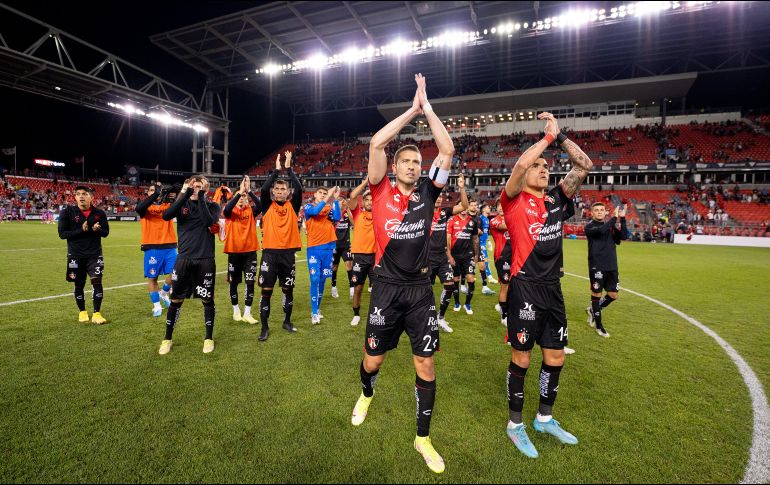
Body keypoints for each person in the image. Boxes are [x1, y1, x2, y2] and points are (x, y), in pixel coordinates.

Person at [350, 73, 453, 474]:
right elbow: (376, 142)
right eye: (407, 161)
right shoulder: (378, 190)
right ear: (395, 166)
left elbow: (447, 149)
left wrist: (428, 109)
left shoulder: (429, 192)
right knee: (372, 360)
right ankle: (365, 393)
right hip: (386, 289)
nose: (413, 166)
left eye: (417, 162)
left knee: (425, 366)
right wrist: (410, 110)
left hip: (419, 291)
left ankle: (422, 438)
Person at [501, 112, 592, 458]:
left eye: (546, 166)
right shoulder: (512, 200)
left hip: (552, 290)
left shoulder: (556, 199)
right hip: (525, 288)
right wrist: (546, 140)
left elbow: (584, 166)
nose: (544, 169)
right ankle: (515, 426)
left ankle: (544, 418)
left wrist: (563, 134)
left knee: (555, 356)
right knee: (521, 359)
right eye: (539, 166)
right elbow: (520, 165)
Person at [158, 175, 221, 355]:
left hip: (205, 260)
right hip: (184, 259)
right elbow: (166, 215)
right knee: (176, 300)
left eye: (200, 186)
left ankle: (208, 338)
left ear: (206, 189)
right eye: (193, 186)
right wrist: (185, 194)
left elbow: (208, 221)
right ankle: (167, 339)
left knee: (207, 300)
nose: (196, 188)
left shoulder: (212, 206)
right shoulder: (182, 204)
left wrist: (200, 197)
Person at [257, 151, 303, 341]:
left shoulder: (293, 206)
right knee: (266, 292)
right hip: (269, 255)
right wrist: (276, 171)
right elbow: (262, 190)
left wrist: (290, 168)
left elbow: (299, 189)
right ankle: (265, 327)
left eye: (284, 190)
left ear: (288, 193)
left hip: (287, 255)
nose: (280, 192)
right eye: (277, 189)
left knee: (288, 290)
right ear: (273, 192)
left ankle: (287, 321)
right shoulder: (267, 206)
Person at [58, 185, 109, 324]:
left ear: (91, 197)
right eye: (78, 194)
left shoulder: (100, 213)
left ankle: (97, 313)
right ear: (75, 197)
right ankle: (82, 312)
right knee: (78, 285)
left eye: (85, 194)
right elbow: (62, 234)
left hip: (94, 254)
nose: (81, 196)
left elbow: (106, 233)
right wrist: (82, 230)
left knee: (97, 282)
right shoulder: (67, 212)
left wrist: (97, 230)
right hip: (75, 255)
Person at [429, 176, 468, 332]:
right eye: (435, 197)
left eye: (440, 197)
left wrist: (462, 188)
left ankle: (440, 318)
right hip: (426, 257)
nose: (438, 199)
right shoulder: (423, 212)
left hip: (442, 257)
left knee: (450, 285)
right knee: (424, 290)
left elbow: (464, 205)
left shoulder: (445, 212)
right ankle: (426, 317)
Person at [584, 202, 627, 338]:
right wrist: (614, 218)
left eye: (602, 210)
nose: (599, 212)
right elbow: (602, 231)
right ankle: (599, 326)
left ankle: (592, 310)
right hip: (597, 265)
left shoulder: (610, 226)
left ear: (605, 212)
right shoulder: (589, 227)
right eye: (596, 210)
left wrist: (623, 218)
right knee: (596, 294)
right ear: (592, 213)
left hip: (612, 265)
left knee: (613, 295)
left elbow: (623, 237)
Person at [223, 176, 261, 325]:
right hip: (234, 252)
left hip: (250, 252)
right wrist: (240, 192)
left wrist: (249, 191)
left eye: (244, 197)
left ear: (247, 199)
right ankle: (236, 311)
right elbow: (226, 210)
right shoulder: (231, 212)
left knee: (250, 283)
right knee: (234, 283)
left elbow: (261, 205)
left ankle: (247, 312)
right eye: (239, 197)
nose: (241, 199)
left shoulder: (251, 211)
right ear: (235, 197)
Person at [135, 183, 177, 317]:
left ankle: (164, 294)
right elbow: (139, 208)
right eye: (152, 190)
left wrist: (172, 191)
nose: (156, 192)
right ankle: (156, 306)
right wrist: (156, 194)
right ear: (148, 193)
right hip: (152, 246)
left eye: (157, 190)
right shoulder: (145, 208)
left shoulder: (168, 206)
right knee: (153, 278)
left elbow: (179, 200)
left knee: (176, 274)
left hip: (170, 245)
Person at [304, 186, 342, 324]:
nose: (323, 195)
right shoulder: (308, 207)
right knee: (314, 279)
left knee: (322, 280)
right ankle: (314, 312)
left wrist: (336, 200)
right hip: (314, 249)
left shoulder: (328, 209)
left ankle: (317, 309)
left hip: (328, 249)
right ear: (314, 194)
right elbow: (315, 211)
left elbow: (337, 217)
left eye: (325, 193)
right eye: (320, 193)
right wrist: (328, 196)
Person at [347, 179, 376, 326]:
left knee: (378, 290)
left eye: (372, 199)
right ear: (363, 202)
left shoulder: (380, 215)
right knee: (358, 288)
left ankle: (376, 314)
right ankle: (356, 314)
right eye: (367, 200)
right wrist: (366, 182)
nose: (370, 202)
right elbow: (352, 196)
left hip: (376, 257)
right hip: (360, 257)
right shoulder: (358, 214)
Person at [448, 200, 481, 315]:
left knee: (471, 279)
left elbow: (475, 239)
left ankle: (467, 304)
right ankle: (457, 303)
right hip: (455, 256)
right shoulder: (452, 220)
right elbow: (447, 239)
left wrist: (476, 254)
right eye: (460, 206)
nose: (463, 209)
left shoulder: (472, 221)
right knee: (455, 280)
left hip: (468, 256)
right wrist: (449, 255)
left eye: (464, 207)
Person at [489, 199, 511, 327]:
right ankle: (504, 316)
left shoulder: (510, 217)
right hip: (502, 257)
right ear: (496, 208)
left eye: (504, 205)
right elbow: (506, 226)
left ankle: (502, 306)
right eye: (499, 206)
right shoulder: (494, 220)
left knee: (512, 286)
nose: (501, 208)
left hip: (514, 256)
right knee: (505, 286)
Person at [331, 199, 354, 299]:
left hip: (346, 245)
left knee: (349, 266)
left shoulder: (347, 214)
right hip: (335, 245)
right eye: (340, 201)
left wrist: (348, 210)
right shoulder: (334, 215)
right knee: (334, 267)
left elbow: (354, 222)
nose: (342, 203)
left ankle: (352, 289)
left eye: (343, 201)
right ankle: (333, 287)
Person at [478, 203, 498, 292]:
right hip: (479, 244)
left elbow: (485, 232)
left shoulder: (486, 219)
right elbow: (477, 231)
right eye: (487, 207)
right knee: (484, 260)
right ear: (483, 210)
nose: (489, 208)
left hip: (483, 243)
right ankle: (489, 277)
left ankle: (486, 277)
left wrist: (488, 241)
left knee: (481, 261)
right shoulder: (480, 219)